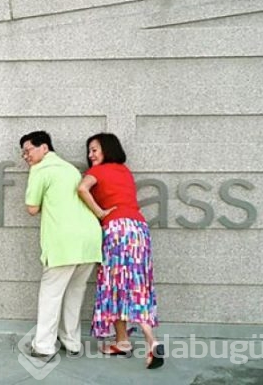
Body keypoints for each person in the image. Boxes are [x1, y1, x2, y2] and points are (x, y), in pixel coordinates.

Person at [77, 132, 165, 369]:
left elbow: (82, 189)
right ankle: (123, 341)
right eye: (89, 150)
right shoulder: (124, 171)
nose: (90, 155)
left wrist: (99, 212)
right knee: (136, 284)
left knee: (115, 284)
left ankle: (150, 341)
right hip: (139, 229)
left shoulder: (96, 172)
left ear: (107, 149)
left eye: (94, 149)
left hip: (117, 229)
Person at [19, 131, 102, 361]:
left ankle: (44, 345)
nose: (26, 156)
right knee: (75, 291)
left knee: (51, 293)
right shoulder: (70, 169)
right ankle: (72, 342)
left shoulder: (40, 169)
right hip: (89, 240)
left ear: (44, 148)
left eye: (29, 150)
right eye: (23, 152)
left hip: (64, 242)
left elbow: (32, 208)